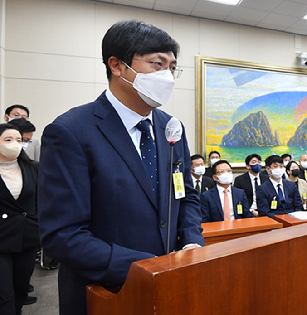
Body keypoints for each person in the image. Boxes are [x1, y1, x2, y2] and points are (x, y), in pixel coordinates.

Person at [38, 20, 204, 315]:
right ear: (117, 66)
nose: (168, 76)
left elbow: (186, 195)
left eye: (172, 67)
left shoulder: (170, 127)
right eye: (157, 64)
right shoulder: (71, 131)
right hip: (106, 293)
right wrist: (142, 267)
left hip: (169, 286)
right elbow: (61, 235)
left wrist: (191, 242)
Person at [0, 124, 39, 315]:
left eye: (20, 140)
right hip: (1, 238)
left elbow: (42, 200)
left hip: (27, 237)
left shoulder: (33, 168)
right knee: (3, 294)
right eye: (8, 140)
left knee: (21, 289)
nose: (15, 144)